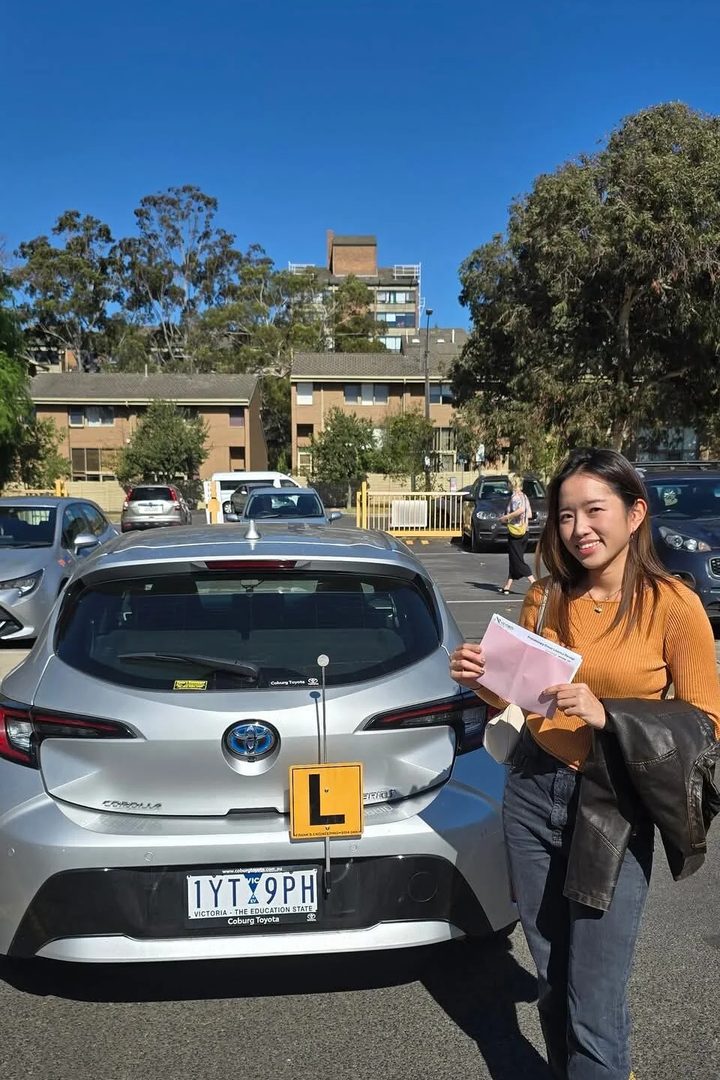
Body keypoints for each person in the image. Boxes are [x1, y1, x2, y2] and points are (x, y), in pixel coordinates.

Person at [449, 447, 720, 1080]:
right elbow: (521, 692)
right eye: (566, 515)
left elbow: (708, 724)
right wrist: (481, 677)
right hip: (532, 790)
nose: (579, 529)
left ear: (635, 514)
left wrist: (609, 715)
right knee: (552, 973)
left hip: (613, 806)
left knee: (594, 996)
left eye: (595, 510)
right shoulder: (544, 596)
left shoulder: (672, 603)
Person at [498, 474, 535, 593]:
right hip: (525, 531)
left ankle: (535, 584)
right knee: (514, 558)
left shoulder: (515, 497)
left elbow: (520, 510)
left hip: (516, 533)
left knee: (517, 560)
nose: (508, 485)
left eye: (509, 483)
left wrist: (507, 517)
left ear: (512, 484)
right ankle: (507, 586)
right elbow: (529, 514)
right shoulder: (524, 496)